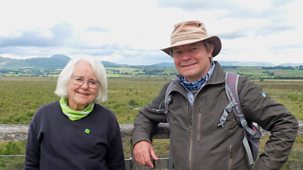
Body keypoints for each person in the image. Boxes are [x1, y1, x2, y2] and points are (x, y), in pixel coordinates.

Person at [132, 20, 298, 170]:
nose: (185, 57)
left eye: (193, 49)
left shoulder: (236, 87)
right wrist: (141, 140)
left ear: (209, 50)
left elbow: (284, 122)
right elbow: (146, 116)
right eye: (178, 52)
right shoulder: (171, 91)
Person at [24, 57, 125, 170]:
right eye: (79, 79)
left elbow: (117, 166)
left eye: (92, 82)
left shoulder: (107, 119)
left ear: (99, 87)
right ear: (66, 81)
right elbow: (31, 165)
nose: (85, 86)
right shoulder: (43, 116)